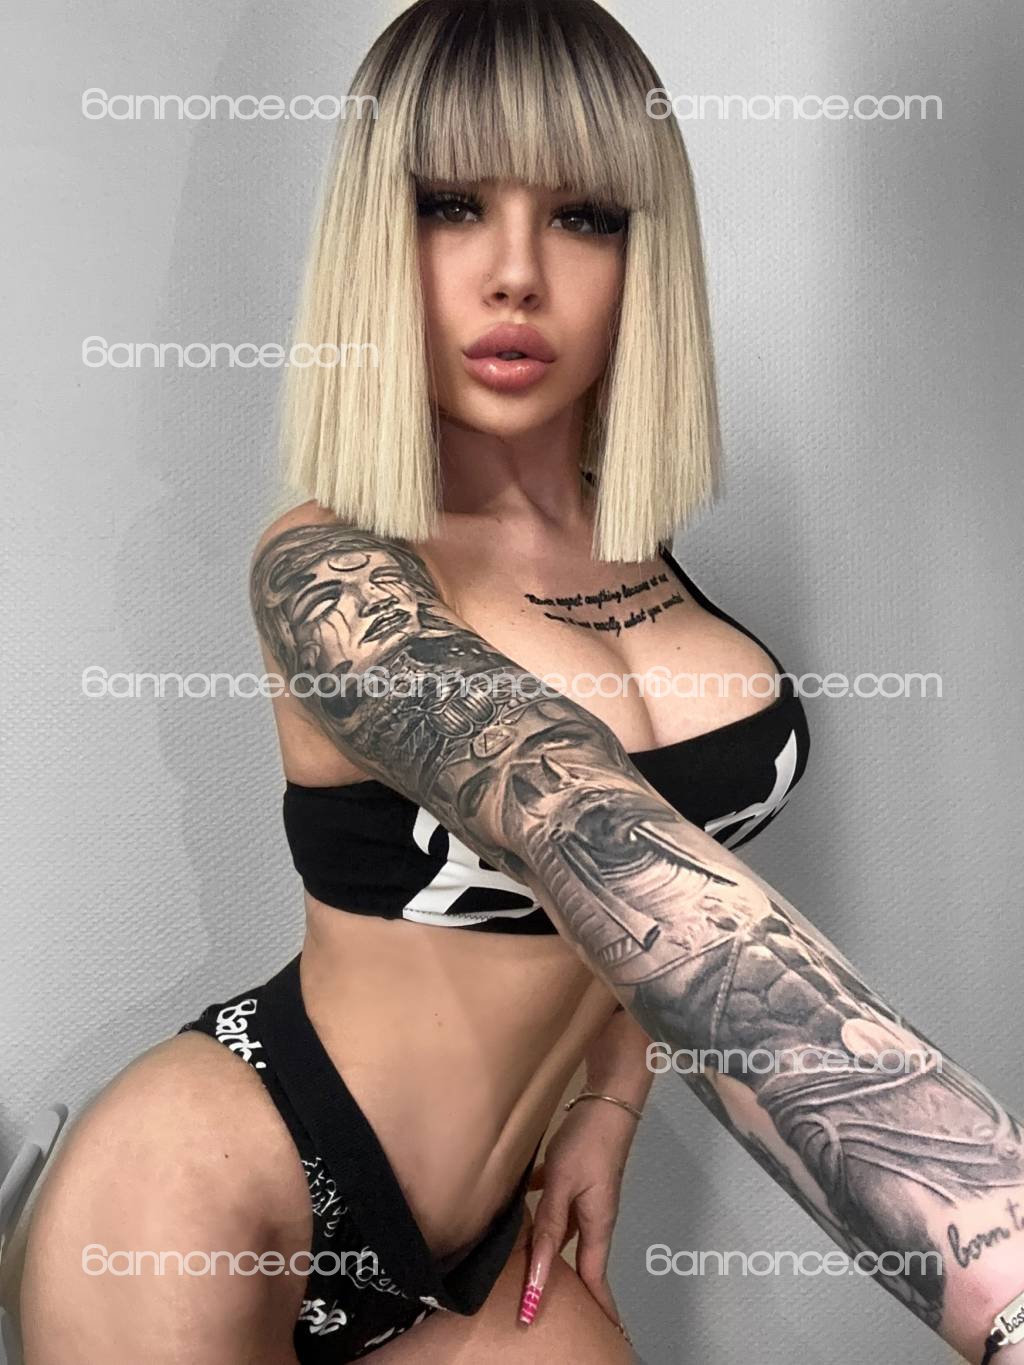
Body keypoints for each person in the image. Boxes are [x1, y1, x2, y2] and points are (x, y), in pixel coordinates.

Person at [19, 1, 1024, 1362]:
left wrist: (606, 1106)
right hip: (212, 1193)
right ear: (378, 239)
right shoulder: (329, 572)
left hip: (480, 1248)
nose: (514, 274)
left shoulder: (647, 556)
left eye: (583, 216)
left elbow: (651, 907)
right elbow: (599, 848)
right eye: (451, 206)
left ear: (643, 254)